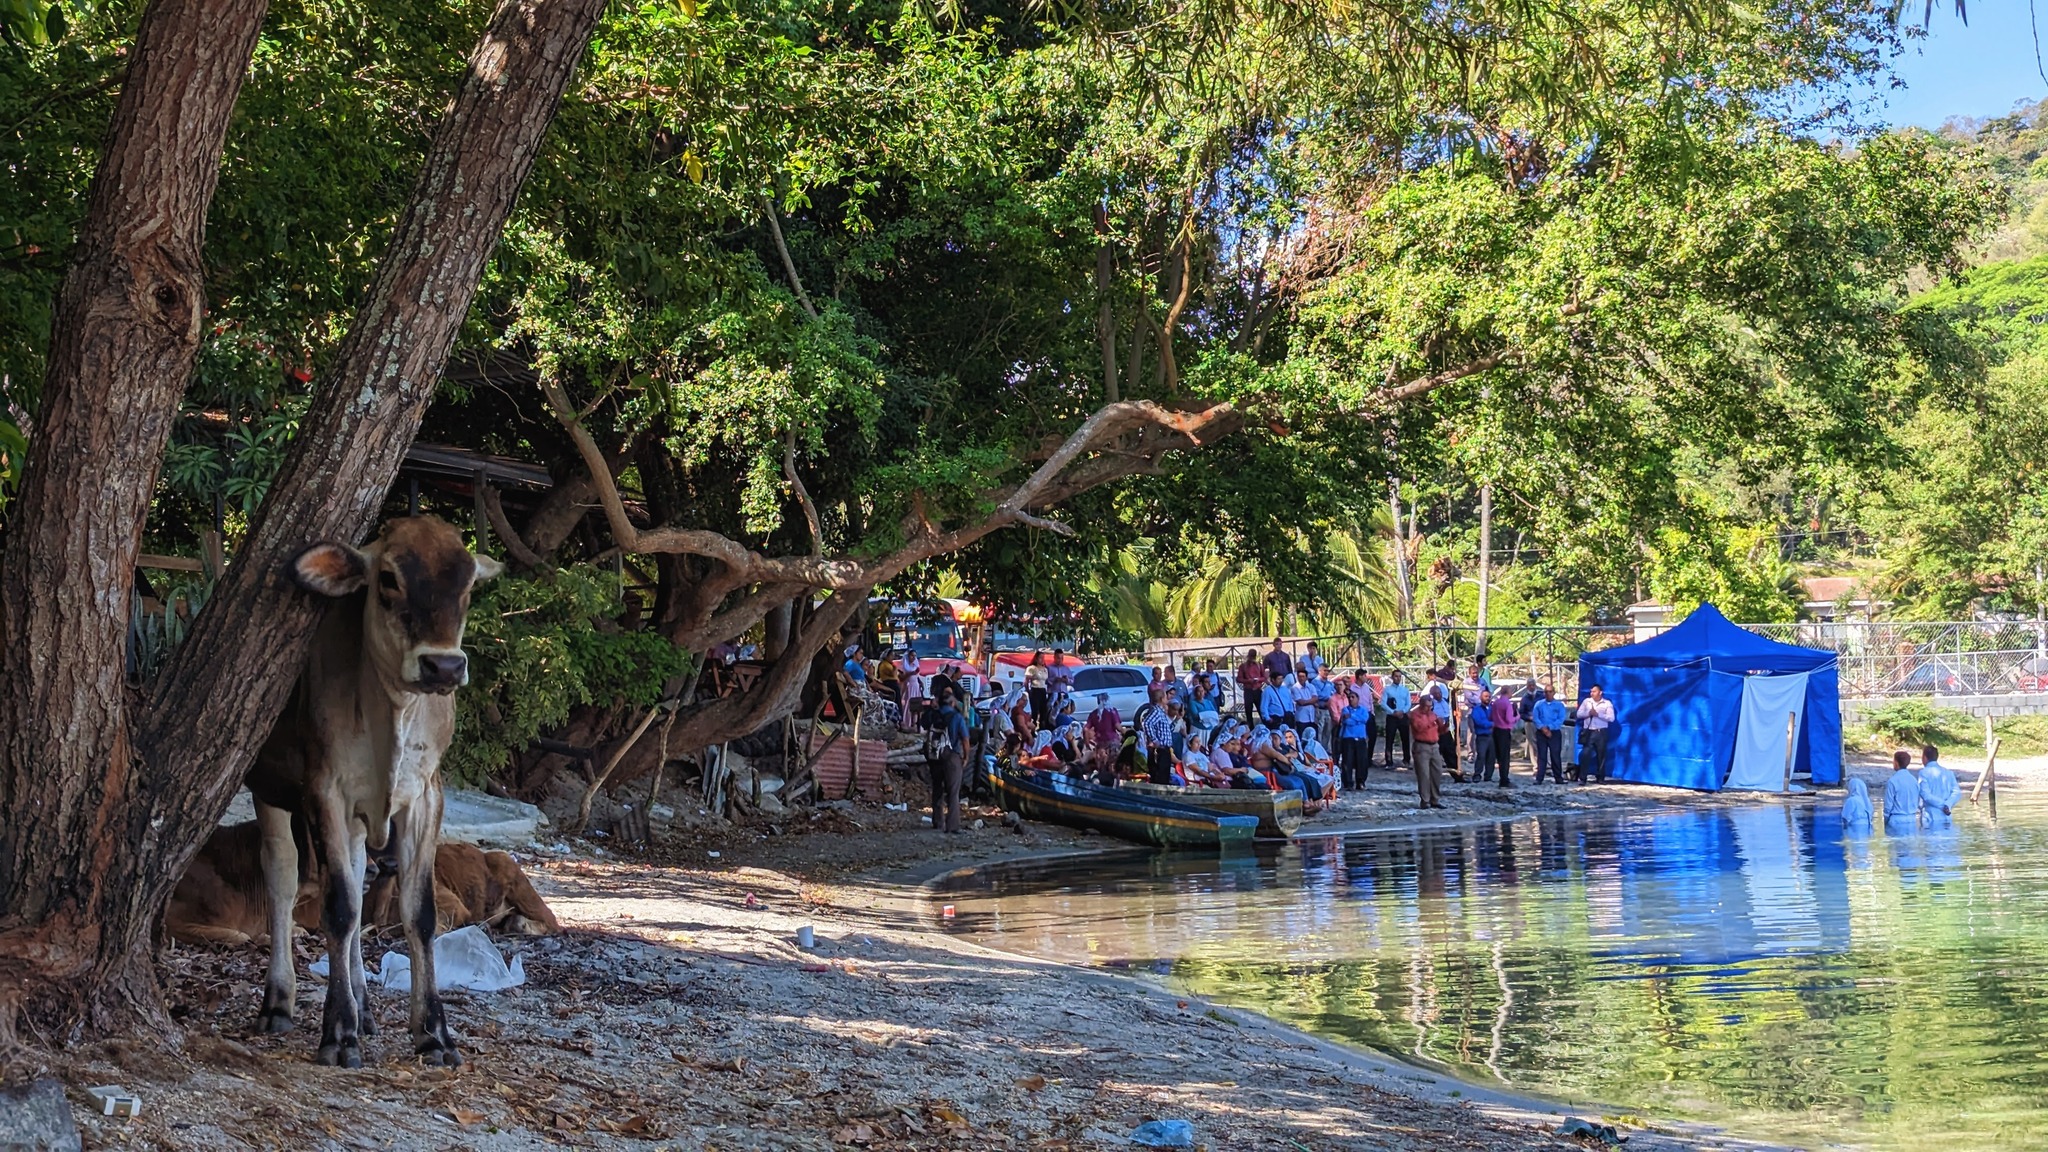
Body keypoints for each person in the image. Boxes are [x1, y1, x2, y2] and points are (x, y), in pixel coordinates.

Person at [927, 688, 970, 833]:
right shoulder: (957, 717)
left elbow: (923, 726)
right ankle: (952, 826)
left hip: (934, 755)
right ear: (952, 703)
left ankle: (937, 821)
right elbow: (965, 739)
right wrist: (966, 757)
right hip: (952, 756)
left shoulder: (934, 715)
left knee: (937, 788)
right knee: (953, 792)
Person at [1408, 697, 1445, 809]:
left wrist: (1444, 726)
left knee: (1437, 773)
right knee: (1424, 774)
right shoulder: (1414, 714)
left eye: (1430, 706)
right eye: (1427, 706)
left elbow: (1440, 730)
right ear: (1421, 705)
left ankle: (1435, 799)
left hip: (1434, 746)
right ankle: (1425, 800)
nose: (1429, 709)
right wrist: (1431, 723)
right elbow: (1419, 728)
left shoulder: (1433, 714)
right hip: (1421, 746)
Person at [1575, 685, 1616, 782]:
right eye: (1591, 691)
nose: (1591, 693)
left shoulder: (1607, 703)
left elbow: (1611, 718)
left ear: (1600, 692)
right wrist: (1589, 713)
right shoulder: (1586, 702)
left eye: (1594, 691)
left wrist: (1598, 715)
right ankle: (1583, 777)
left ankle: (1600, 778)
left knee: (1601, 755)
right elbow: (1578, 714)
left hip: (1601, 732)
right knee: (1585, 754)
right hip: (1589, 732)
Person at [1337, 688, 1373, 791]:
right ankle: (1348, 783)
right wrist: (1357, 720)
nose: (1351, 699)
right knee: (1347, 761)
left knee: (1361, 761)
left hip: (1360, 738)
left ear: (1358, 699)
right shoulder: (1345, 709)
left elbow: (1364, 719)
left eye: (1353, 697)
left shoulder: (1363, 709)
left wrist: (1352, 716)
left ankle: (1360, 782)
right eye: (1349, 697)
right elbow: (1347, 722)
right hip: (1348, 738)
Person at [1531, 688, 1568, 785]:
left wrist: (1550, 727)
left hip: (1554, 732)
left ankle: (1558, 778)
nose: (1548, 693)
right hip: (1541, 732)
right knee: (1541, 756)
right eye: (1546, 692)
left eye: (1550, 691)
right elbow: (1535, 717)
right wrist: (1542, 728)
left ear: (1554, 693)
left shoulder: (1559, 705)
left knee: (1555, 756)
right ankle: (1539, 778)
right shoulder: (1539, 704)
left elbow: (1561, 719)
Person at [1141, 697, 1178, 785]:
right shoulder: (1156, 711)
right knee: (1159, 777)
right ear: (1161, 699)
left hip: (1166, 749)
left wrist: (1177, 720)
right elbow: (1147, 723)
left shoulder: (1161, 713)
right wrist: (1154, 740)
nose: (1167, 699)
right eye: (1165, 697)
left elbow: (1166, 730)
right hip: (1160, 749)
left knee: (1165, 775)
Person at [1882, 749, 1922, 827]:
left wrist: (1886, 821)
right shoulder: (1914, 780)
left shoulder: (1893, 781)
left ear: (1896, 763)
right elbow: (1917, 800)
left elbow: (1888, 805)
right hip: (1911, 818)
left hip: (1896, 818)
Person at [1380, 670, 1412, 767]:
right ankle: (1389, 761)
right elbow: (1383, 703)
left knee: (1405, 738)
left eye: (1399, 676)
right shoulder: (1387, 690)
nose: (1398, 678)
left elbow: (1408, 703)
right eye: (1396, 676)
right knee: (1390, 739)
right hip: (1392, 717)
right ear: (1392, 677)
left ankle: (1406, 760)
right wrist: (1393, 712)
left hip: (1403, 716)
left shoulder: (1405, 690)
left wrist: (1403, 711)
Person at [1920, 744, 1960, 818]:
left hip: (1930, 815)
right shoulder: (1949, 773)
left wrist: (1942, 804)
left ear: (1924, 758)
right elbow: (1957, 793)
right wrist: (1948, 804)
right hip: (1947, 814)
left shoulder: (1923, 773)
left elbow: (1925, 795)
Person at [1487, 688, 1517, 788]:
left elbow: (1491, 716)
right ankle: (1504, 779)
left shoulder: (1495, 702)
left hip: (1496, 730)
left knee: (1499, 756)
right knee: (1505, 756)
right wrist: (1517, 717)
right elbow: (1509, 719)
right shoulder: (1507, 703)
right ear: (1508, 692)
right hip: (1504, 730)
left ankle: (1502, 777)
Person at [1431, 682, 1459, 782]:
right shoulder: (1431, 704)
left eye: (1440, 693)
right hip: (1437, 732)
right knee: (1436, 755)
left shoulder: (1446, 702)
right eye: (1436, 693)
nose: (1438, 695)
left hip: (1448, 731)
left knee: (1451, 753)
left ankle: (1457, 775)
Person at [1469, 688, 1498, 782]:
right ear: (1481, 697)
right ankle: (1477, 774)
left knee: (1491, 757)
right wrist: (1491, 724)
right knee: (1481, 755)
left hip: (1492, 736)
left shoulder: (1492, 708)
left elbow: (1496, 718)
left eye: (1489, 696)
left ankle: (1488, 776)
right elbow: (1479, 721)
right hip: (1482, 736)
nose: (1488, 698)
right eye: (1486, 696)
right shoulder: (1476, 709)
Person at [1237, 652, 1266, 726]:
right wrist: (1248, 681)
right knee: (1248, 711)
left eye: (1253, 657)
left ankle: (1265, 727)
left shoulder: (1259, 665)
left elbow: (1264, 677)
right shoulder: (1243, 666)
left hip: (1257, 690)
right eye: (1251, 656)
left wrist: (1258, 679)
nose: (1252, 658)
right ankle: (1250, 729)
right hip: (1248, 690)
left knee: (1261, 710)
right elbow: (1239, 679)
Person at [1025, 651, 1052, 725]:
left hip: (1043, 690)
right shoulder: (1032, 668)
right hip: (1035, 689)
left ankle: (1042, 725)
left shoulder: (1045, 669)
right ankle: (1033, 725)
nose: (1042, 660)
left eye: (1043, 658)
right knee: (1035, 709)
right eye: (1040, 658)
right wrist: (1028, 690)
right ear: (1036, 659)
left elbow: (1046, 680)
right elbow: (1027, 680)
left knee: (1043, 709)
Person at [1291, 668, 1319, 733]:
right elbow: (1301, 702)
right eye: (1299, 676)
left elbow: (1316, 698)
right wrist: (1312, 702)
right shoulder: (1295, 688)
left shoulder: (1311, 686)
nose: (1301, 678)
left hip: (1312, 717)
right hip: (1301, 718)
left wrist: (1307, 702)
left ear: (1306, 677)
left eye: (1303, 676)